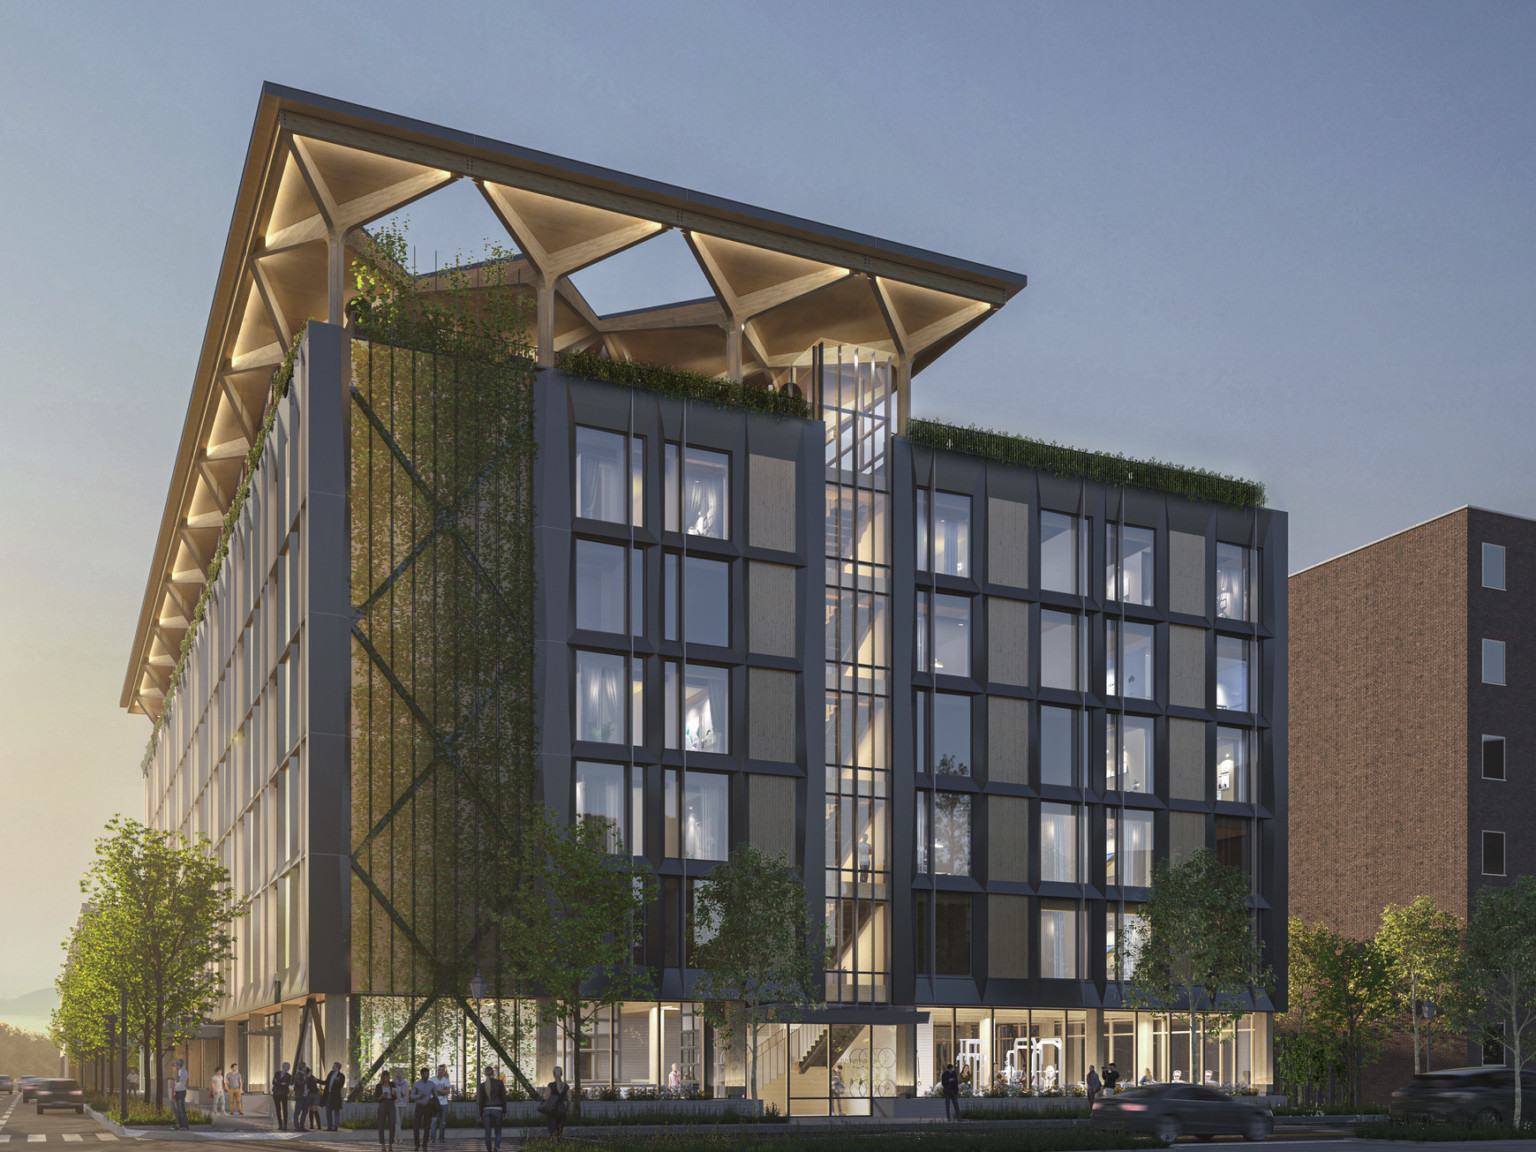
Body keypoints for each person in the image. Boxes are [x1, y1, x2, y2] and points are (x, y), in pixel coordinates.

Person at [477, 1065, 506, 1152]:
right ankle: (496, 1147)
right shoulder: (499, 1083)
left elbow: (480, 1101)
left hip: (486, 1110)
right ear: (493, 1073)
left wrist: (480, 1114)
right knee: (498, 1132)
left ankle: (489, 1150)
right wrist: (505, 1111)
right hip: (498, 1109)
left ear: (485, 1074)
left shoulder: (482, 1085)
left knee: (487, 1133)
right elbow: (504, 1098)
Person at [410, 1068, 437, 1150]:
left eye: (428, 1074)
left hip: (428, 1106)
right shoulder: (416, 1084)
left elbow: (435, 1095)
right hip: (419, 1106)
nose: (427, 1076)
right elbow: (412, 1096)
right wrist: (419, 1096)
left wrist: (433, 1101)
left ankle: (424, 1145)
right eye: (425, 1074)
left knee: (427, 1126)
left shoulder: (431, 1084)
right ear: (421, 1074)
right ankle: (417, 1144)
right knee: (416, 1125)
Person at [542, 1067, 570, 1140]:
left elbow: (546, 1098)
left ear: (553, 1074)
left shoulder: (551, 1085)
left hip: (552, 1112)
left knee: (552, 1133)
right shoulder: (566, 1086)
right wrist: (566, 1109)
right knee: (559, 1133)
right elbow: (569, 1100)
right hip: (562, 1111)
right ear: (561, 1074)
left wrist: (543, 1095)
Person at [376, 1071, 400, 1149]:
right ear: (382, 1078)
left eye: (387, 1077)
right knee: (381, 1124)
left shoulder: (392, 1084)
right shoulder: (379, 1086)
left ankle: (390, 1144)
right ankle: (382, 1144)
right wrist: (382, 1096)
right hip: (382, 1104)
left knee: (392, 1124)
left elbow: (395, 1097)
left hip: (391, 1104)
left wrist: (395, 1095)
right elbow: (376, 1098)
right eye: (384, 1077)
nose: (386, 1079)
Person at [430, 1065, 453, 1144]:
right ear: (437, 1070)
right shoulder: (432, 1080)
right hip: (434, 1104)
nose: (440, 1071)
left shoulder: (446, 1080)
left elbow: (447, 1092)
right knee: (434, 1121)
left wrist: (436, 1089)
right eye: (439, 1070)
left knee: (443, 1122)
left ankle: (441, 1137)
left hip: (444, 1103)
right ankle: (432, 1138)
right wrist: (442, 1091)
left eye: (442, 1070)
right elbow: (430, 1091)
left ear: (444, 1071)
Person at [323, 1062, 347, 1132]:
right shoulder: (330, 1074)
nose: (332, 1067)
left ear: (337, 1068)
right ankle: (329, 1126)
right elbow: (326, 1082)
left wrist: (336, 1081)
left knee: (336, 1111)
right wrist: (317, 1080)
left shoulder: (341, 1076)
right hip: (329, 1094)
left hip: (336, 1096)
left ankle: (335, 1127)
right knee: (328, 1111)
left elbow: (341, 1085)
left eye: (333, 1066)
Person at [272, 1062, 293, 1129]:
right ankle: (280, 1125)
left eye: (289, 1067)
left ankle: (285, 1125)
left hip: (284, 1094)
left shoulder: (289, 1076)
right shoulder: (277, 1073)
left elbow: (286, 1085)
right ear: (284, 1067)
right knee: (278, 1109)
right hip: (276, 1094)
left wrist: (278, 1083)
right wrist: (281, 1084)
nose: (289, 1068)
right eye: (288, 1067)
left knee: (285, 1109)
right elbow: (273, 1082)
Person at [171, 1059, 190, 1130]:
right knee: (178, 1109)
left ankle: (185, 1126)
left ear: (180, 1065)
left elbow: (178, 1080)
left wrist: (177, 1073)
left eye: (177, 1064)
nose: (176, 1066)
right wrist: (174, 1092)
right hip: (177, 1091)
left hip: (182, 1091)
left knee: (182, 1109)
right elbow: (176, 1083)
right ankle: (180, 1125)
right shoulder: (178, 1071)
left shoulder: (184, 1072)